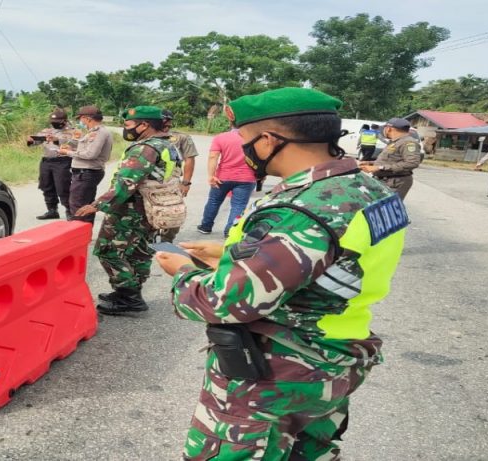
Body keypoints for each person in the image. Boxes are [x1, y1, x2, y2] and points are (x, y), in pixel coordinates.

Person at [155, 87, 408, 460]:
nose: (243, 150)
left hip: (279, 371)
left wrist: (182, 274)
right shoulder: (368, 190)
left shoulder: (302, 207)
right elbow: (336, 256)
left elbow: (224, 302)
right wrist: (230, 253)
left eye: (244, 139)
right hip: (336, 359)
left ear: (269, 139)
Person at [74, 105, 181, 314]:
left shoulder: (145, 148)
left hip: (130, 210)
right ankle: (131, 292)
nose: (126, 129)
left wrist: (96, 205)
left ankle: (129, 296)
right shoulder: (167, 145)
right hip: (154, 209)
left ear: (144, 125)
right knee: (139, 252)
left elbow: (126, 183)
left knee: (108, 250)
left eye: (128, 124)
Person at [197, 104, 256, 237]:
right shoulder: (253, 139)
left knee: (214, 201)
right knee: (239, 205)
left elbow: (213, 157)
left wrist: (210, 176)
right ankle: (230, 231)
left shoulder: (221, 137)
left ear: (230, 121)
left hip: (222, 176)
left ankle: (206, 226)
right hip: (247, 178)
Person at [61, 105, 112, 224]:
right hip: (85, 173)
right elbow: (86, 149)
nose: (81, 121)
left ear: (87, 118)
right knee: (84, 205)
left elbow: (90, 154)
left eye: (81, 119)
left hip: (87, 172)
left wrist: (67, 152)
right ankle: (84, 235)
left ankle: (78, 236)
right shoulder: (92, 132)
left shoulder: (99, 133)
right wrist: (71, 148)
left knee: (78, 206)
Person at [157, 109, 199, 243]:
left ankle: (166, 240)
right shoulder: (145, 135)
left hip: (171, 182)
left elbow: (189, 159)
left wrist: (186, 182)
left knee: (174, 215)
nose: (165, 125)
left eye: (168, 123)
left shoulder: (181, 137)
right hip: (148, 182)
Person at [27, 109, 78, 220]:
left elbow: (76, 144)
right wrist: (31, 140)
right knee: (46, 185)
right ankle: (52, 210)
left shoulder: (73, 132)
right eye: (53, 121)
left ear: (64, 121)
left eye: (58, 121)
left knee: (63, 187)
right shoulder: (46, 130)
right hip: (46, 161)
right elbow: (36, 142)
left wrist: (57, 140)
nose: (54, 123)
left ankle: (70, 210)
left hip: (63, 161)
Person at [361, 117, 421, 200]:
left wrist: (379, 167)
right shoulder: (395, 142)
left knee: (386, 209)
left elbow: (412, 163)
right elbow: (390, 159)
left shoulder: (408, 143)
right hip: (385, 180)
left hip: (396, 182)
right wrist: (369, 163)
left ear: (389, 129)